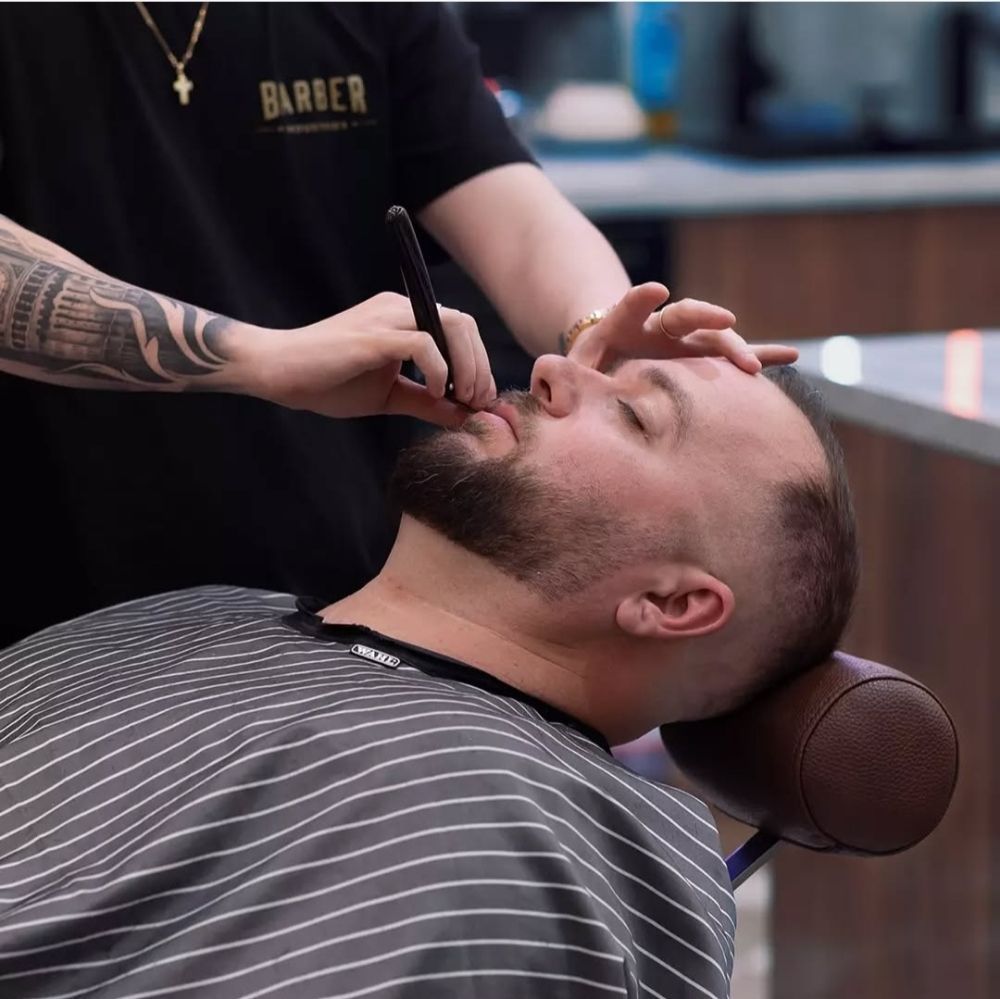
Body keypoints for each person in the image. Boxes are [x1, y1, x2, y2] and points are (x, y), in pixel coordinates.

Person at [0, 355, 859, 998]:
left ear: (670, 602)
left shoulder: (496, 836)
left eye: (634, 414)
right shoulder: (202, 616)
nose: (556, 366)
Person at [0, 3, 792, 647]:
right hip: (55, 599)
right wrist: (259, 356)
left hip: (335, 603)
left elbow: (513, 212)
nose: (553, 385)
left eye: (637, 416)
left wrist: (595, 323)